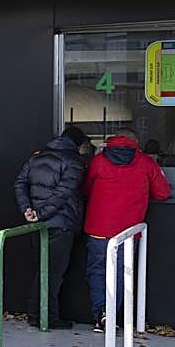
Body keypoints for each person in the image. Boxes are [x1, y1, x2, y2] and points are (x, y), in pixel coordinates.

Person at [83, 127, 171, 331]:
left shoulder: (99, 161)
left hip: (98, 227)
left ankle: (101, 313)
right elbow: (162, 193)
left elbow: (86, 188)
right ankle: (112, 315)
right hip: (128, 231)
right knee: (122, 272)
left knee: (97, 270)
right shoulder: (146, 162)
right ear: (135, 142)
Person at [13, 126, 88, 329]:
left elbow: (19, 183)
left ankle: (36, 314)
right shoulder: (74, 162)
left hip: (37, 224)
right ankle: (47, 317)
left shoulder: (37, 157)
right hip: (59, 223)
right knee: (53, 273)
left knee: (42, 270)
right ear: (79, 144)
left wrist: (27, 209)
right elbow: (64, 192)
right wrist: (42, 213)